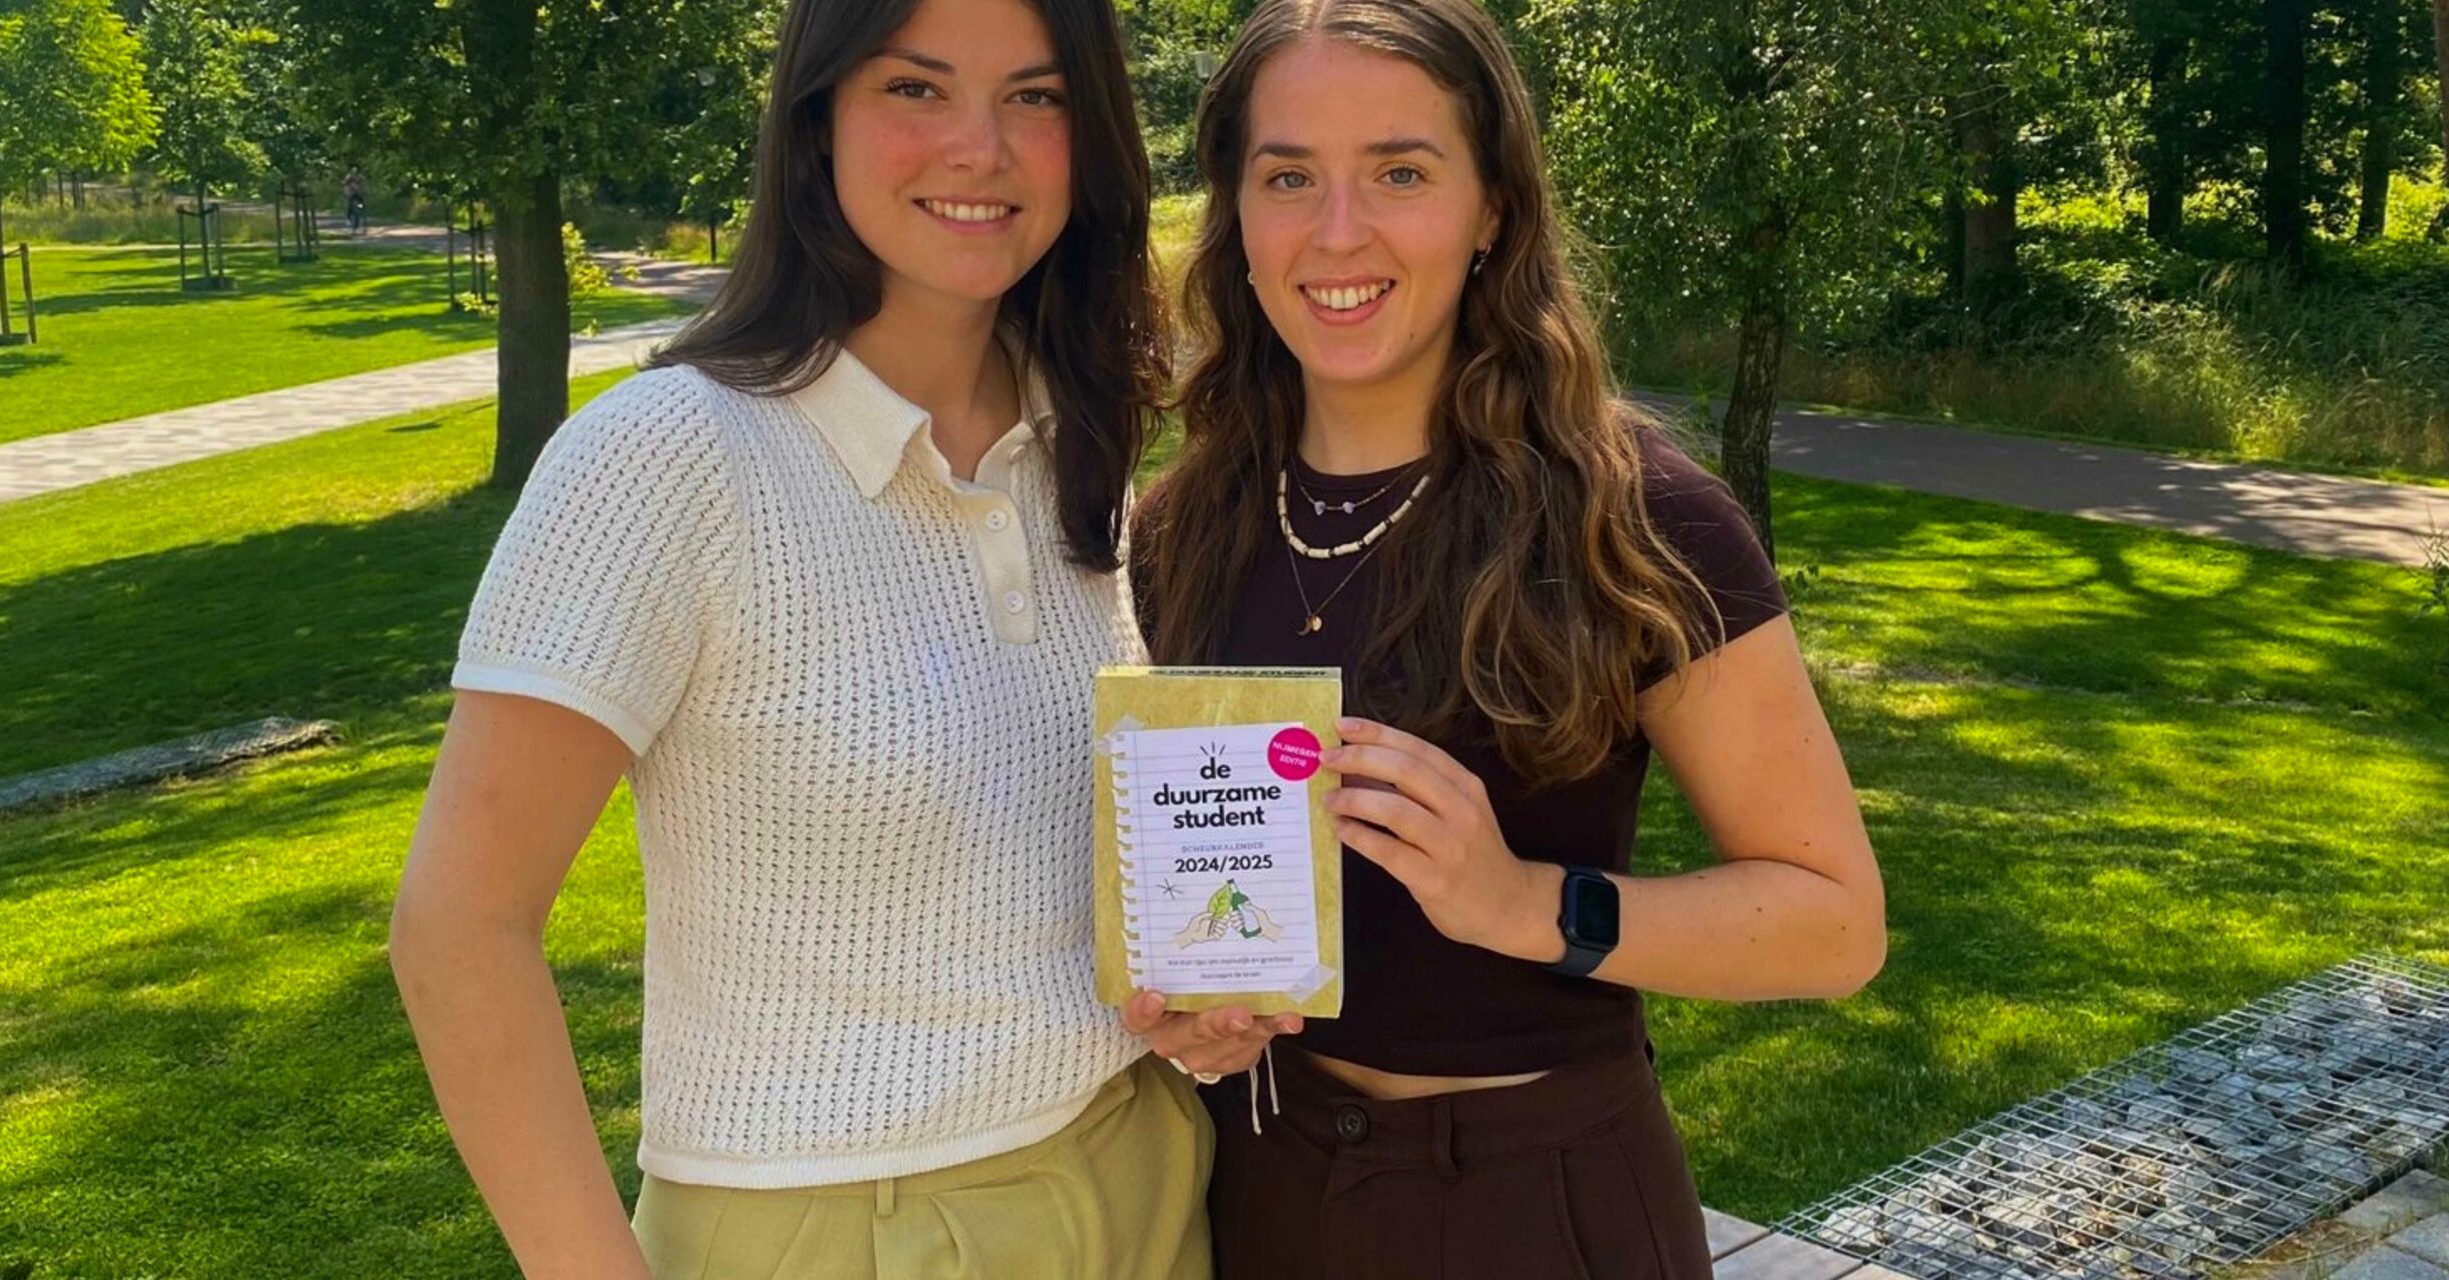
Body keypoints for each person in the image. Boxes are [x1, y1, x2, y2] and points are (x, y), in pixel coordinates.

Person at [388, 1, 1210, 1276]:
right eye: (916, 89)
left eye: (1036, 97)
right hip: (841, 1220)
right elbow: (459, 927)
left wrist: (1193, 992)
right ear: (816, 116)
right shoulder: (665, 456)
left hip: (1144, 1165)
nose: (980, 148)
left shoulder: (1071, 436)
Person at [1127, 2, 1890, 1277]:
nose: (1338, 231)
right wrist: (1186, 1011)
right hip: (1247, 1177)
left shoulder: (1635, 517)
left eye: (1401, 171)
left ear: (1492, 209)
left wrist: (1525, 903)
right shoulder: (1179, 523)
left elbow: (1833, 922)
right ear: (1237, 216)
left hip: (1532, 1204)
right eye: (1287, 176)